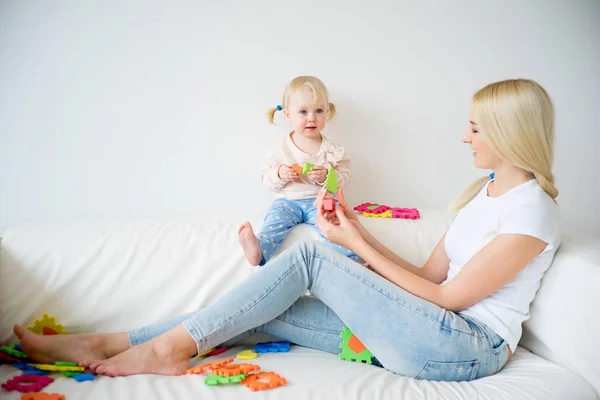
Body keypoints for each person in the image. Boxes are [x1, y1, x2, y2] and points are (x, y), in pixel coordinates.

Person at [14, 78, 561, 382]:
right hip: (426, 328)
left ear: (508, 133)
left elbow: (448, 297)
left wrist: (346, 244)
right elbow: (425, 275)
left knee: (311, 260)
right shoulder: (478, 198)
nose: (465, 138)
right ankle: (108, 340)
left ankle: (163, 353)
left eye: (474, 128)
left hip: (465, 348)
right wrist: (355, 232)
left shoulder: (531, 210)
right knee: (268, 312)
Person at [238, 75, 358, 266]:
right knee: (274, 223)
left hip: (321, 201)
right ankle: (259, 251)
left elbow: (345, 178)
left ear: (327, 112)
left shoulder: (332, 151)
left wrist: (328, 176)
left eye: (318, 110)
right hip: (287, 201)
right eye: (303, 112)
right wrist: (279, 174)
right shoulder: (279, 150)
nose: (312, 118)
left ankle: (354, 260)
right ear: (288, 115)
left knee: (336, 228)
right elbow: (265, 178)